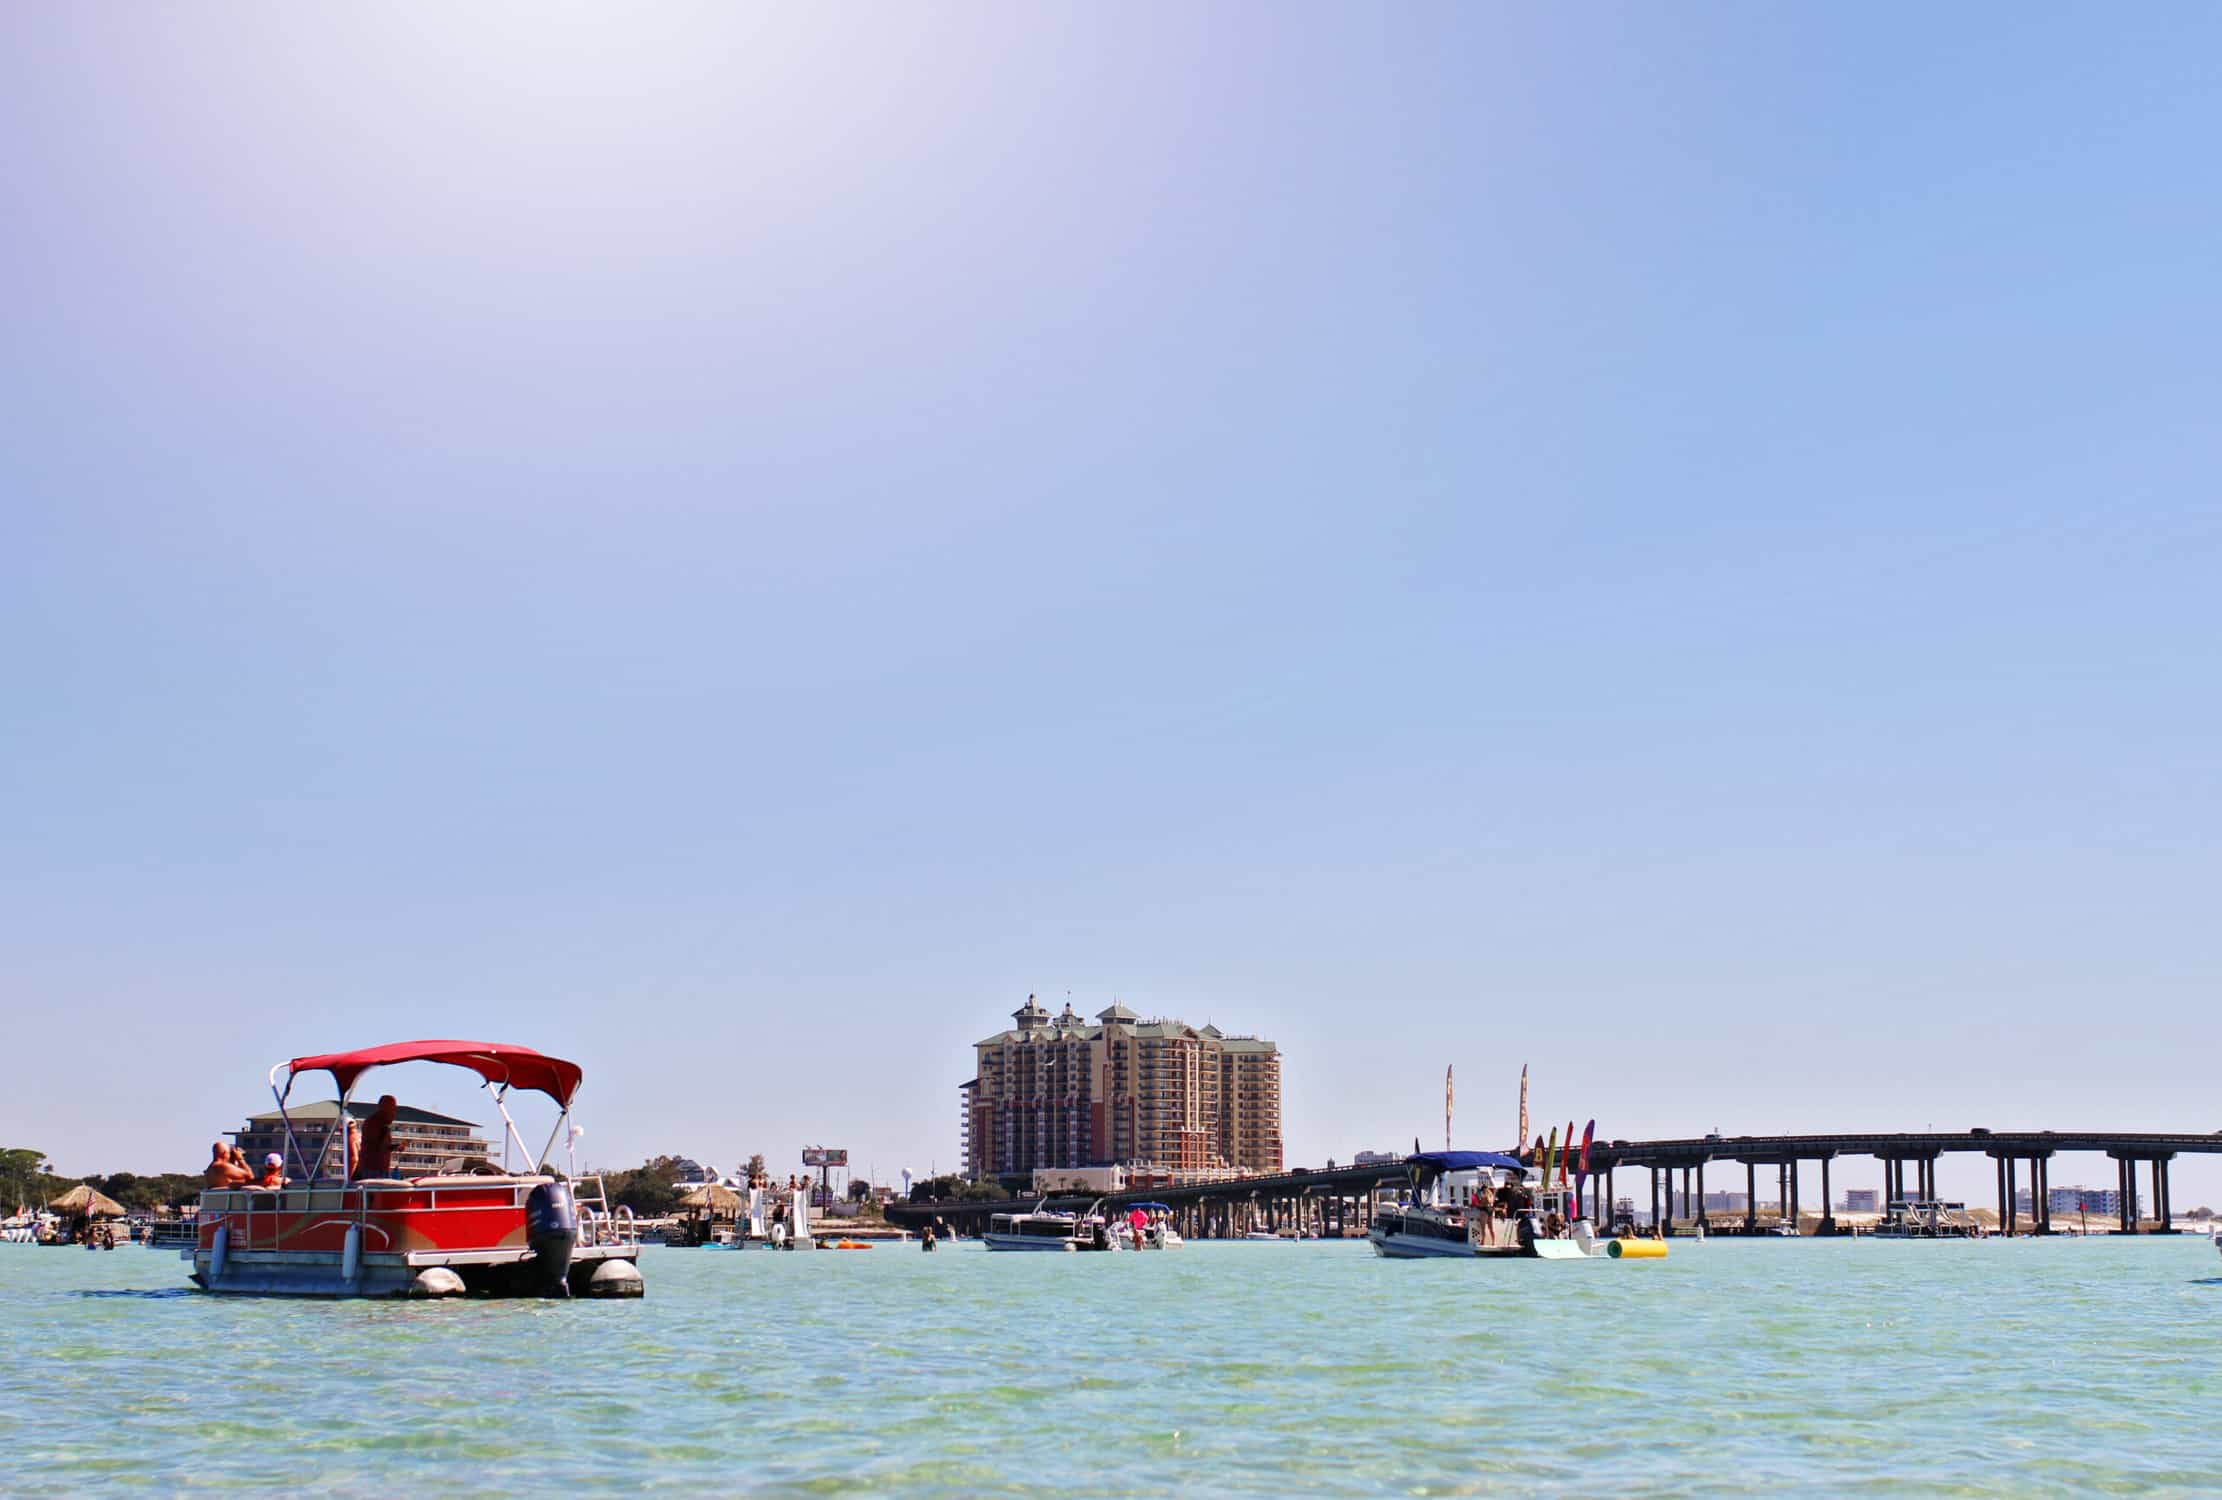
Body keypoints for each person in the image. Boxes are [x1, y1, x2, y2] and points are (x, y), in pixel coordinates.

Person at [353, 1096, 399, 1180]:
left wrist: (396, 1147)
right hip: (372, 1169)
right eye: (392, 1108)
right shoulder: (373, 1122)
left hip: (382, 1169)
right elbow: (374, 1146)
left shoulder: (383, 1123)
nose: (394, 1112)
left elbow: (383, 1146)